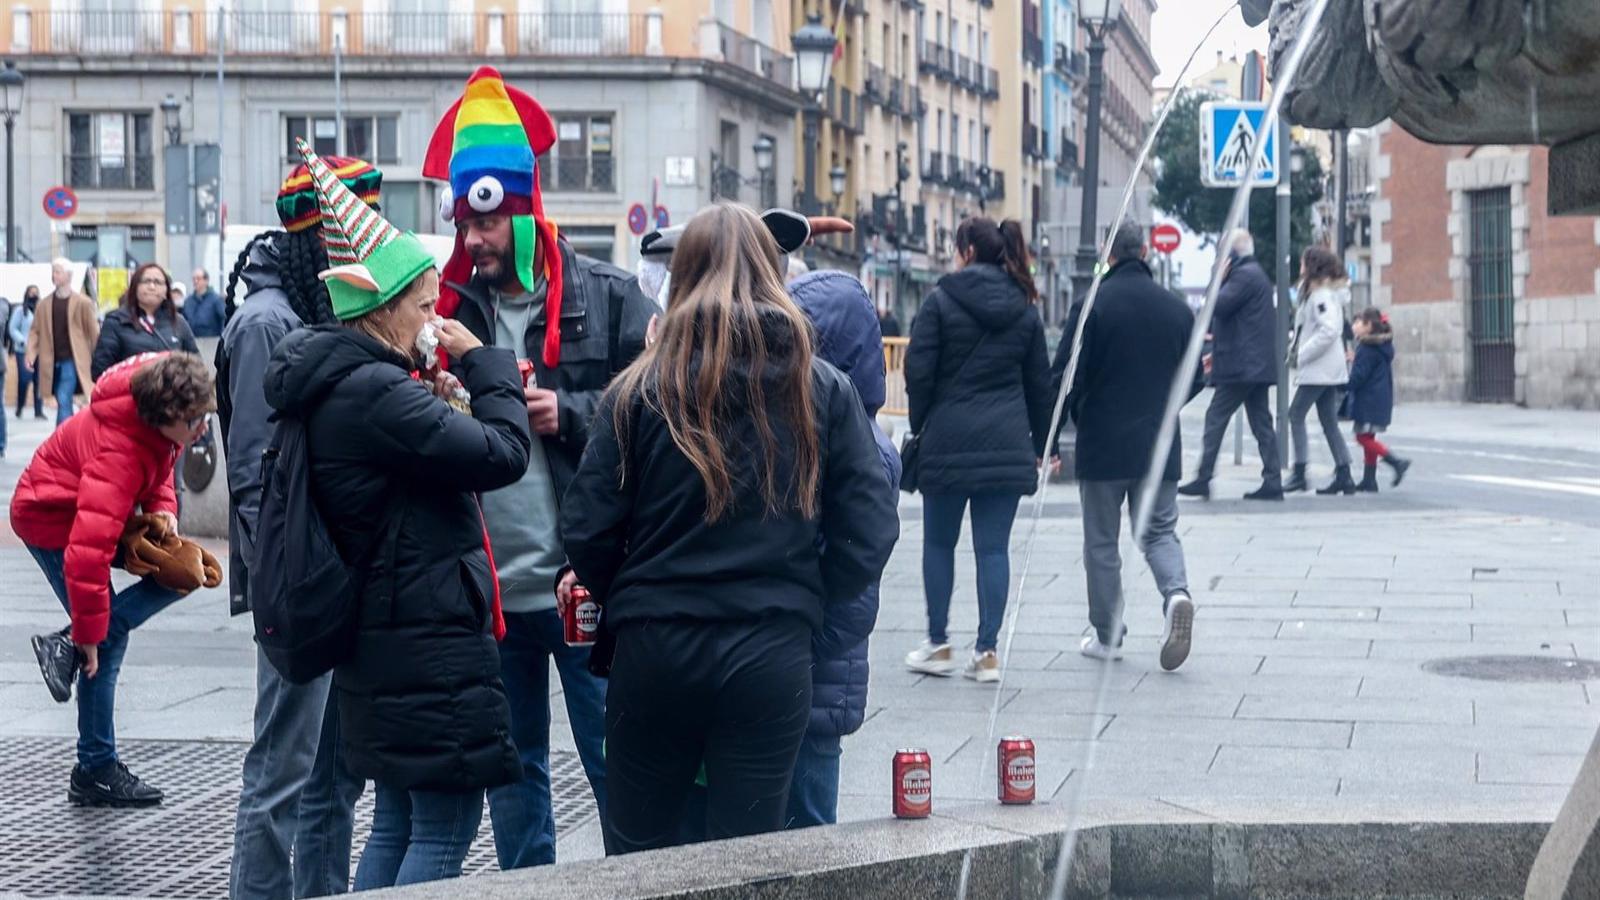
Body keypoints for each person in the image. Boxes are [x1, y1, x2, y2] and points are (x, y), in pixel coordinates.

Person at [561, 203, 897, 854]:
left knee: (639, 860)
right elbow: (872, 525)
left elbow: (587, 526)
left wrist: (627, 595)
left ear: (681, 278)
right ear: (772, 273)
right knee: (746, 861)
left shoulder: (639, 389)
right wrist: (810, 602)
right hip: (769, 655)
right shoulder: (819, 386)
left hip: (655, 649)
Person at [262, 141, 531, 889]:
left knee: (399, 823)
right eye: (422, 303)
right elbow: (504, 454)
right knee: (443, 831)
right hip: (425, 641)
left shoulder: (346, 382)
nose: (436, 316)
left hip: (388, 637)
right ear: (383, 310)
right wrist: (485, 362)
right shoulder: (378, 395)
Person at [423, 66, 654, 870]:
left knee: (615, 763)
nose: (472, 239)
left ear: (523, 212)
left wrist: (572, 413)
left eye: (485, 222)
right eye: (463, 223)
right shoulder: (445, 312)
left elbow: (659, 414)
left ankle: (646, 884)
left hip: (581, 584)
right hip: (491, 593)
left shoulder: (614, 296)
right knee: (514, 779)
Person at [221, 154, 384, 900]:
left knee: (332, 771)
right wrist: (284, 597)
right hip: (300, 585)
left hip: (330, 573)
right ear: (317, 241)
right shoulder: (266, 324)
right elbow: (257, 477)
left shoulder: (301, 311)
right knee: (283, 768)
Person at [11, 351, 213, 806]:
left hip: (94, 513)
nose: (202, 430)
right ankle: (95, 767)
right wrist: (87, 633)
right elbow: (86, 554)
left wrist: (164, 506)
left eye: (206, 417)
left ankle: (66, 650)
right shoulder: (117, 454)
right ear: (165, 415)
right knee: (103, 638)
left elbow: (163, 456)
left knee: (180, 573)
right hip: (51, 518)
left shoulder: (165, 404)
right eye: (195, 421)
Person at [901, 216, 1052, 683]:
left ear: (967, 251)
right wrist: (1042, 444)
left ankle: (939, 643)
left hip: (947, 440)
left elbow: (918, 372)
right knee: (993, 551)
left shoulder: (940, 302)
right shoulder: (1025, 309)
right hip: (1007, 443)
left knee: (939, 544)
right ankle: (986, 653)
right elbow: (1039, 385)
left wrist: (921, 422)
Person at [1052, 224, 1202, 671]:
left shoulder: (1092, 304)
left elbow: (1063, 377)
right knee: (1157, 530)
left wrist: (1052, 431)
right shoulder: (1177, 310)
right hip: (1159, 440)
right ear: (1145, 252)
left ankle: (1108, 634)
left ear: (1108, 253)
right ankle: (1176, 593)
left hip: (1102, 443)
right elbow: (1197, 376)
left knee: (1101, 541)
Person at [785, 269, 901, 828]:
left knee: (808, 826)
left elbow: (857, 578)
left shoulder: (859, 447)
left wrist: (804, 642)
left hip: (818, 674)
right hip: (809, 670)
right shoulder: (827, 427)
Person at [1179, 229, 1284, 501]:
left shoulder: (1242, 276)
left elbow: (1218, 305)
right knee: (1261, 422)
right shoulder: (1254, 274)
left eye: (1220, 252)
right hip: (1253, 364)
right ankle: (1273, 480)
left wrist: (1217, 279)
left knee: (1216, 417)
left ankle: (1203, 477)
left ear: (1231, 254)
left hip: (1242, 366)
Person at [1284, 246, 1357, 495]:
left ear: (1312, 265)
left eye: (1303, 262)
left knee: (1294, 415)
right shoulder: (1320, 294)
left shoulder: (1320, 296)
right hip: (1326, 369)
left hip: (1319, 369)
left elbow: (1329, 330)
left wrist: (1301, 355)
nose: (1300, 265)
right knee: (1328, 421)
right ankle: (1344, 472)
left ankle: (1300, 472)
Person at [91, 264, 201, 382]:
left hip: (171, 397)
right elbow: (100, 371)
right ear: (135, 287)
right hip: (131, 394)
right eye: (146, 281)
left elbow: (196, 365)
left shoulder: (178, 322)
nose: (152, 286)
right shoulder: (116, 321)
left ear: (166, 290)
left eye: (158, 282)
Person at [26, 258, 100, 425]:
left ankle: (62, 438)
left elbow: (93, 332)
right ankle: (69, 436)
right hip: (50, 360)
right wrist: (30, 354)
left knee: (63, 397)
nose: (54, 275)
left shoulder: (83, 303)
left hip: (73, 360)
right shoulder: (43, 304)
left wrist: (100, 358)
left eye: (58, 272)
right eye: (53, 272)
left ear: (69, 276)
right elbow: (35, 331)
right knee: (61, 397)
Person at [1347, 308, 1412, 492]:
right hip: (1379, 399)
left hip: (1368, 400)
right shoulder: (1381, 347)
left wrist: (1343, 384)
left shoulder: (1367, 349)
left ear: (1368, 327)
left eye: (1358, 322)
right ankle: (1369, 479)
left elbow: (1359, 377)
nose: (1354, 326)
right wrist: (1355, 359)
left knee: (1362, 438)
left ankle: (1395, 462)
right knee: (1368, 437)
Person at [11, 285, 44, 419]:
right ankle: (20, 406)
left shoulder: (41, 310)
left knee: (39, 380)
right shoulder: (20, 311)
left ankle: (38, 410)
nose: (34, 295)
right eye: (31, 293)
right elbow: (12, 328)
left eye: (36, 293)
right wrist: (22, 340)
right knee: (24, 379)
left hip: (39, 350)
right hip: (23, 350)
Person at [184, 268, 226, 337]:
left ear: (206, 280)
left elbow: (224, 320)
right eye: (193, 279)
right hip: (193, 342)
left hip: (211, 342)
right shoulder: (188, 301)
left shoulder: (216, 300)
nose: (195, 281)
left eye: (198, 278)